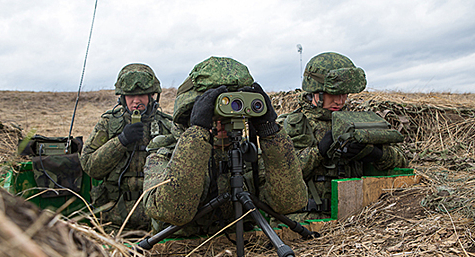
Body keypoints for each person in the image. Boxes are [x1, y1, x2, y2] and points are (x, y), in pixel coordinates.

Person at [141, 56, 308, 236]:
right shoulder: (164, 154)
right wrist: (198, 133)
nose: (221, 125)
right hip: (182, 247)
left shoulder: (249, 154)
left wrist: (270, 133)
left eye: (229, 116)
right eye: (213, 117)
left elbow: (291, 203)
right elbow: (171, 212)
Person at [277, 52, 408, 221]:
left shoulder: (357, 122)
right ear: (316, 92)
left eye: (344, 94)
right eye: (334, 94)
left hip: (357, 215)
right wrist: (318, 152)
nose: (340, 100)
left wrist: (375, 154)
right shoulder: (289, 124)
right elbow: (275, 176)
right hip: (306, 219)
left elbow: (402, 161)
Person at [79, 63, 173, 230]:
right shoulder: (109, 123)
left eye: (142, 95)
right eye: (130, 96)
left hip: (158, 224)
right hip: (114, 221)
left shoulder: (166, 125)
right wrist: (121, 141)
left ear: (152, 96)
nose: (136, 101)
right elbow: (90, 166)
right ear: (122, 98)